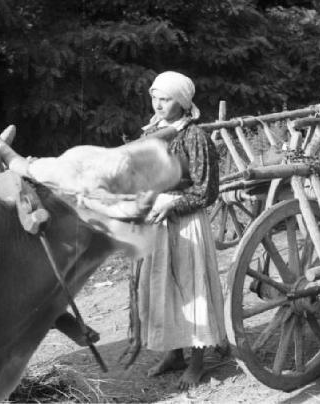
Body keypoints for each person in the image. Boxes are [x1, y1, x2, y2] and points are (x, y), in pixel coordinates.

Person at [137, 71, 226, 389]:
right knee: (164, 287)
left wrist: (171, 204)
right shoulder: (152, 131)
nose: (158, 104)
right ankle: (174, 354)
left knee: (192, 289)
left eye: (166, 99)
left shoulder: (195, 137)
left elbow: (206, 191)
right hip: (158, 224)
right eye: (154, 97)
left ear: (183, 102)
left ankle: (198, 362)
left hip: (186, 224)